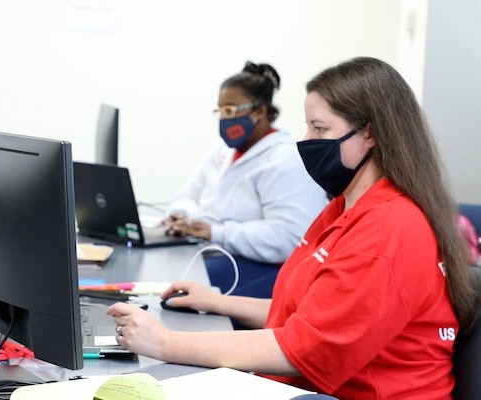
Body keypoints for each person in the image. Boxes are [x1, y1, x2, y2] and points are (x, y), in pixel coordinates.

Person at [108, 57, 479, 399]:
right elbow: (314, 313)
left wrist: (165, 342)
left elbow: (304, 348)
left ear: (370, 134)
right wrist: (217, 302)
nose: (306, 140)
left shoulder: (388, 228)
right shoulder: (345, 206)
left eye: (320, 127)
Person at [161, 61, 327, 299]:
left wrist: (216, 232)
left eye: (231, 111)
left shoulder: (285, 158)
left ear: (259, 111)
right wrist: (182, 217)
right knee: (170, 278)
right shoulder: (221, 150)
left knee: (182, 295)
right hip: (214, 251)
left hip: (265, 269)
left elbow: (291, 237)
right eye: (221, 111)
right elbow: (187, 196)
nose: (224, 119)